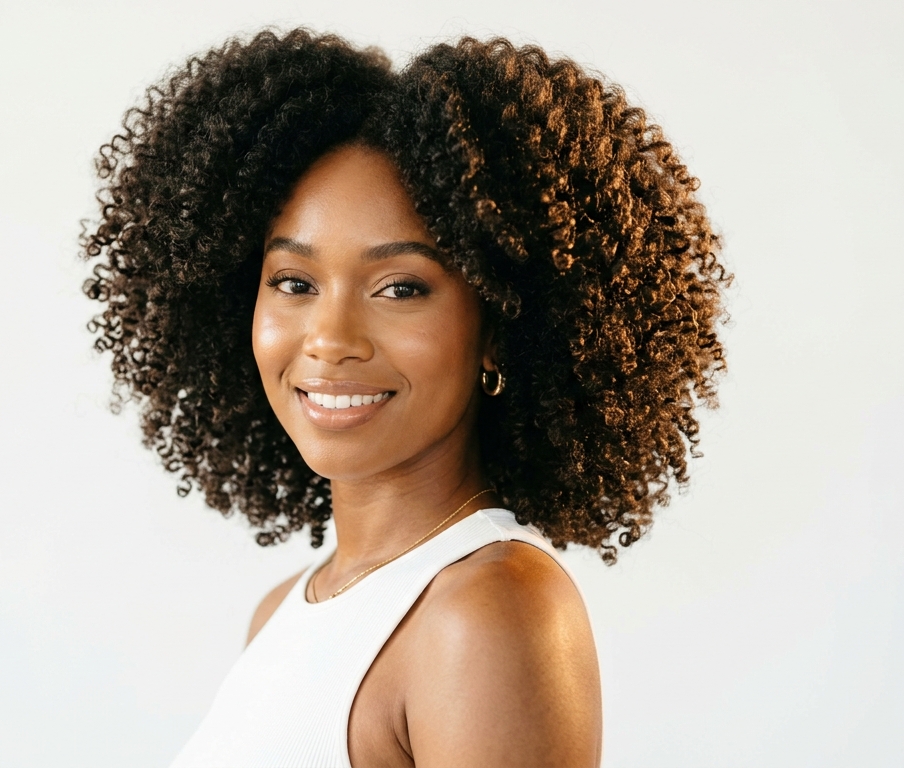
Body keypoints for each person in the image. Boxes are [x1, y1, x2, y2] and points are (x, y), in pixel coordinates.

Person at [81, 28, 728, 768]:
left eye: (400, 288)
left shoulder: (489, 609)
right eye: (294, 283)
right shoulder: (283, 614)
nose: (329, 339)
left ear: (498, 325)